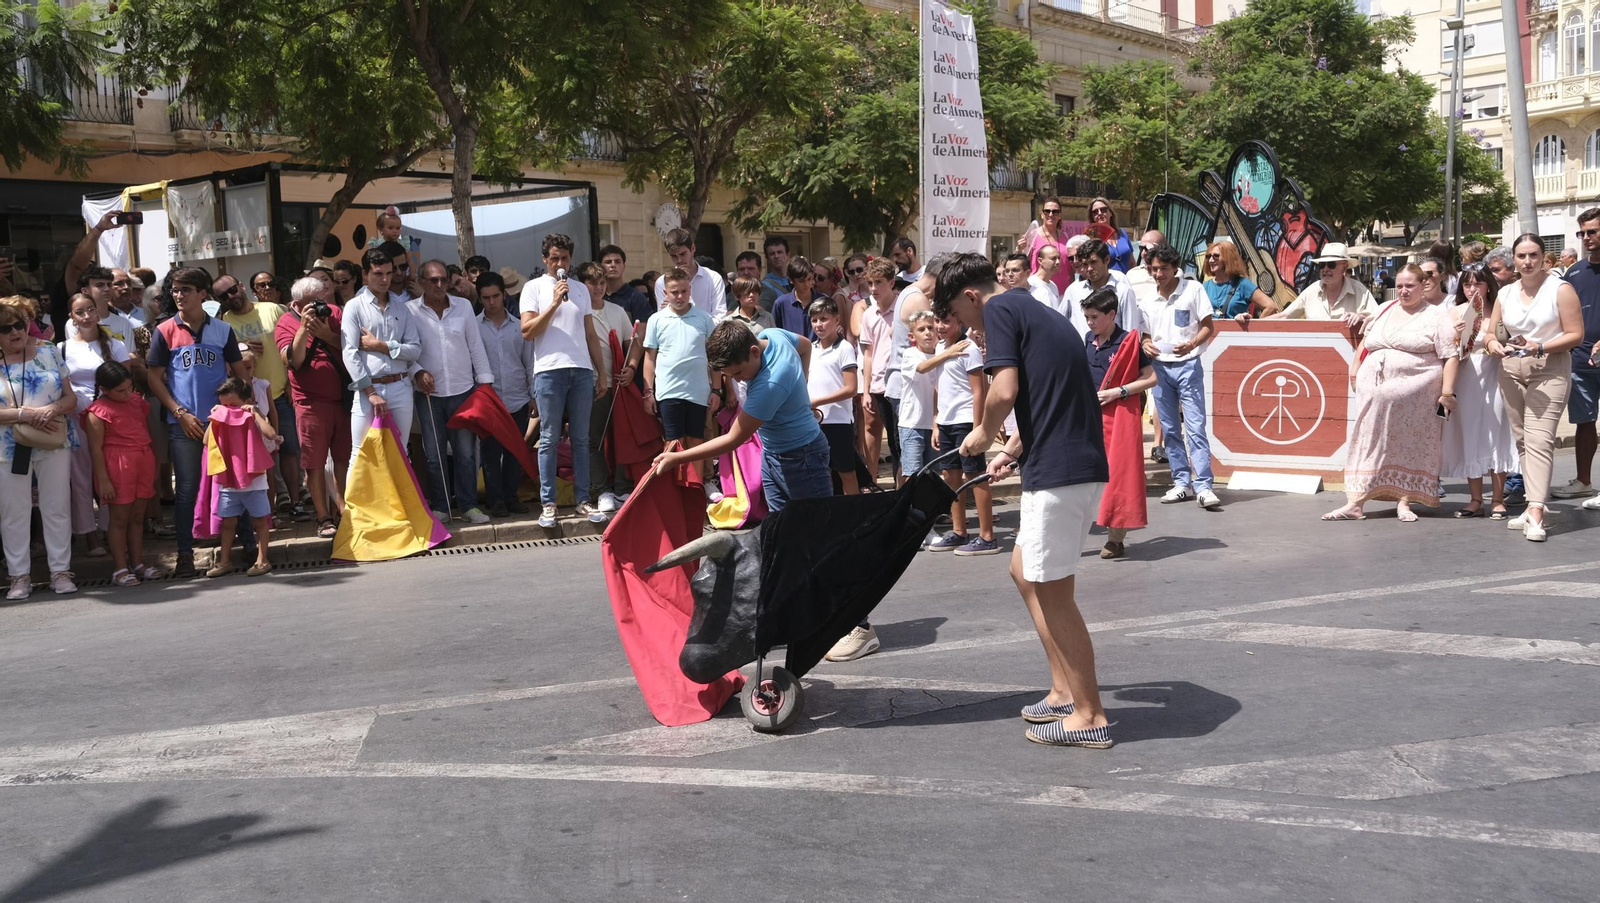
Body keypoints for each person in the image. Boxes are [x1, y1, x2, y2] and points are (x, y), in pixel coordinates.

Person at [931, 253, 1113, 748]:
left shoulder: (1000, 310)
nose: (960, 327)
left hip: (1062, 472)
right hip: (1064, 465)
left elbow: (1005, 390)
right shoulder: (1037, 311)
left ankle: (1089, 714)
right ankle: (1062, 689)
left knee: (1053, 591)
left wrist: (983, 433)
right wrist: (1011, 449)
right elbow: (1049, 394)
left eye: (955, 313)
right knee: (1022, 568)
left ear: (971, 296)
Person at [1323, 265, 1461, 523]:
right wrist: (1354, 372)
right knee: (1368, 442)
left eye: (1410, 285)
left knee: (1408, 444)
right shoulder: (1384, 308)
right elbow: (1365, 342)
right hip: (1372, 393)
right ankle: (1356, 502)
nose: (1404, 291)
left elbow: (1451, 356)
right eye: (1400, 286)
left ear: (1423, 286)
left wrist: (1447, 393)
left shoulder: (1436, 316)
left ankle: (1404, 501)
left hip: (1416, 394)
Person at [1483, 233, 1587, 541]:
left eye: (1533, 255)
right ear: (1513, 260)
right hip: (1511, 368)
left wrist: (1540, 346)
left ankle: (1537, 510)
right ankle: (1531, 506)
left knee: (1540, 439)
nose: (1527, 261)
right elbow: (1491, 333)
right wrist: (1493, 346)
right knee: (1523, 441)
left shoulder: (1560, 289)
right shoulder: (1505, 293)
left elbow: (1576, 335)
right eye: (1521, 256)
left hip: (1550, 367)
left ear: (1544, 258)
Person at [146, 267, 247, 578]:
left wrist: (238, 408)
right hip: (184, 424)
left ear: (203, 294)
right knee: (187, 489)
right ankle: (185, 554)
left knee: (233, 484)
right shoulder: (164, 331)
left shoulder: (222, 330)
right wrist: (179, 413)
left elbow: (240, 372)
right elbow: (154, 378)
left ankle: (248, 545)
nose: (179, 295)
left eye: (186, 289)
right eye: (175, 290)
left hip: (220, 422)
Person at [523, 234, 608, 528]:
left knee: (581, 439)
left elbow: (589, 334)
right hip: (549, 370)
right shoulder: (533, 288)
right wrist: (554, 303)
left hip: (581, 370)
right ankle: (548, 503)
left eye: (565, 258)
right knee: (548, 437)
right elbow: (528, 331)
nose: (560, 263)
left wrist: (601, 372)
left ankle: (583, 499)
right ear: (545, 259)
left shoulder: (581, 290)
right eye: (555, 258)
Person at [0, 298, 78, 599]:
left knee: (56, 507)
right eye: (5, 328)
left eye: (19, 324)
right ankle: (19, 576)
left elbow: (72, 399)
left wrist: (52, 409)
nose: (15, 332)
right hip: (9, 447)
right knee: (13, 512)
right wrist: (25, 415)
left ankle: (60, 572)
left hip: (53, 439)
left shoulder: (48, 351)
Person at [409, 260, 495, 525]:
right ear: (421, 282)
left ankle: (469, 506)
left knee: (466, 453)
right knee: (433, 455)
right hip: (427, 395)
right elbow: (404, 349)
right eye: (433, 280)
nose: (439, 285)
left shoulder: (464, 307)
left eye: (443, 280)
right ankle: (442, 507)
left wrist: (485, 383)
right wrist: (417, 371)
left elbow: (475, 346)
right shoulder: (409, 311)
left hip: (463, 390)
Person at [1139, 244, 1221, 510]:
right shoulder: (1148, 299)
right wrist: (1146, 344)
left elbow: (1208, 326)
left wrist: (1192, 344)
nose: (1158, 274)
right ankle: (1181, 482)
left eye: (1163, 268)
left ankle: (1204, 486)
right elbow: (1145, 334)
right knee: (1170, 429)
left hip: (1188, 365)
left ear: (1175, 267)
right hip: (1160, 368)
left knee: (1195, 426)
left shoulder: (1193, 289)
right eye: (1154, 269)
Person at [220, 271, 302, 521]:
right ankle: (269, 511)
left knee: (289, 450)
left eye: (233, 289)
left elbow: (291, 342)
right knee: (261, 459)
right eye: (223, 295)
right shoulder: (224, 321)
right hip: (247, 401)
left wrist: (291, 381)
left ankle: (296, 502)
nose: (231, 296)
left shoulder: (272, 309)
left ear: (242, 286)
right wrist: (243, 345)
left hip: (277, 391)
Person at [1082, 286, 1155, 559]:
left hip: (1120, 416)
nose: (1090, 323)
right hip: (1090, 415)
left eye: (1094, 317)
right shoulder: (1089, 339)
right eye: (1087, 317)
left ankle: (1115, 539)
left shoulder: (1129, 342)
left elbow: (1150, 378)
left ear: (1111, 314)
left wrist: (1119, 391)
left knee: (1119, 476)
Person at [1442, 266, 1517, 519]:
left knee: (1497, 432)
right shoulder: (1454, 312)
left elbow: (1511, 338)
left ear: (1488, 285)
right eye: (1467, 285)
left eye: (1478, 284)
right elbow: (1445, 346)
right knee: (1470, 432)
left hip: (1496, 374)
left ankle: (1497, 498)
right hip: (1466, 376)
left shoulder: (1499, 309)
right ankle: (1475, 499)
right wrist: (1456, 332)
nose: (1472, 289)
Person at [279, 276, 351, 538]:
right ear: (298, 304)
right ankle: (323, 517)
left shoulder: (334, 312)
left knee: (343, 458)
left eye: (322, 299)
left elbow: (352, 348)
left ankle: (343, 509)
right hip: (310, 403)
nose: (321, 306)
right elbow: (293, 361)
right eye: (313, 303)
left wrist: (327, 334)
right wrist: (304, 329)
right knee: (314, 462)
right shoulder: (286, 322)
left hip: (342, 399)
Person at [921, 312, 996, 555]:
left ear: (959, 322)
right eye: (937, 322)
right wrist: (935, 422)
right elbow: (937, 388)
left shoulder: (969, 347)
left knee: (975, 475)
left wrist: (978, 428)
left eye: (946, 322)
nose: (940, 327)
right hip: (945, 422)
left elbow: (979, 391)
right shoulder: (941, 348)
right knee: (950, 476)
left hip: (966, 421)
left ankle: (987, 536)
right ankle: (959, 531)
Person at [62, 293, 130, 558]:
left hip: (109, 418)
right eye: (80, 312)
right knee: (80, 477)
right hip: (76, 418)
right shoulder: (62, 348)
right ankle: (88, 535)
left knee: (110, 475)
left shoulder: (115, 346)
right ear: (72, 316)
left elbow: (126, 383)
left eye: (91, 310)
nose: (87, 316)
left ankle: (109, 529)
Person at [644, 266, 718, 499]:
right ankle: (673, 494)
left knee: (697, 441)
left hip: (698, 392)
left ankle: (695, 492)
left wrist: (716, 389)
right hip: (668, 391)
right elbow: (649, 358)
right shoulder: (657, 319)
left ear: (690, 290)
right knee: (672, 443)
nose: (679, 296)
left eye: (684, 291)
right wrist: (648, 391)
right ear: (666, 292)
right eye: (674, 292)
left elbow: (715, 358)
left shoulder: (704, 318)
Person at [85, 360, 161, 586]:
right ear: (104, 389)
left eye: (129, 387)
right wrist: (104, 481)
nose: (127, 393)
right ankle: (119, 568)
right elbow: (95, 449)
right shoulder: (97, 411)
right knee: (119, 519)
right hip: (117, 466)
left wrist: (155, 464)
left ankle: (137, 563)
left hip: (142, 461)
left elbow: (149, 433)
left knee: (138, 516)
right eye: (120, 390)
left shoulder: (137, 402)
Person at [343, 249, 424, 458]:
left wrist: (381, 345)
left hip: (400, 387)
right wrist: (370, 393)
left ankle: (395, 493)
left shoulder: (402, 308)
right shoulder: (354, 307)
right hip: (367, 390)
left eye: (388, 273)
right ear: (365, 274)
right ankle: (358, 493)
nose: (386, 279)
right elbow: (349, 354)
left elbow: (415, 350)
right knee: (361, 454)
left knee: (399, 452)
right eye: (378, 273)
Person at [473, 271, 537, 518]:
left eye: (496, 296)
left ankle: (511, 497)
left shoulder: (519, 326)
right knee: (490, 453)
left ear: (504, 295)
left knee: (515, 451)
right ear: (480, 298)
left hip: (518, 398)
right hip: (489, 401)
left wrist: (533, 395)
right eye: (486, 297)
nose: (491, 302)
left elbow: (529, 363)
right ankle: (495, 500)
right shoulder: (475, 327)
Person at [204, 377, 278, 578]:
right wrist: (214, 418)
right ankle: (224, 562)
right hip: (229, 480)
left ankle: (263, 560)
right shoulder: (219, 418)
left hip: (254, 481)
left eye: (233, 405)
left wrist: (254, 414)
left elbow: (271, 433)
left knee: (259, 521)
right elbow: (205, 440)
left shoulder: (253, 415)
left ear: (247, 400)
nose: (229, 409)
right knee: (228, 523)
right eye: (225, 404)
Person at [580, 261, 637, 512]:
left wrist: (632, 367)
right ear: (582, 285)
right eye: (592, 283)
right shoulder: (576, 311)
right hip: (591, 384)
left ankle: (623, 488)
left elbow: (633, 343)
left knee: (622, 437)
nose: (598, 287)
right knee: (593, 440)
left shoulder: (618, 310)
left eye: (602, 283)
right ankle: (602, 490)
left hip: (620, 385)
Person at [1558, 208, 1600, 509]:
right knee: (1584, 422)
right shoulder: (1573, 273)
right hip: (1580, 361)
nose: (1587, 238)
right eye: (1582, 233)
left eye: (1592, 232)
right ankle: (1583, 482)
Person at [806, 297, 859, 496]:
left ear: (836, 320)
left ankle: (854, 515)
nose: (819, 324)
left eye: (824, 319)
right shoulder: (810, 349)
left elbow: (851, 388)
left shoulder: (844, 348)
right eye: (814, 320)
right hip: (814, 422)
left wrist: (817, 401)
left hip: (838, 421)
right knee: (820, 471)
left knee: (846, 471)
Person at [1262, 243, 1379, 328]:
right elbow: (1284, 316)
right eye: (1322, 265)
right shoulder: (1312, 290)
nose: (1326, 269)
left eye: (1331, 264)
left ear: (1344, 267)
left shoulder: (1360, 291)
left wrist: (1361, 317)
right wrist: (1251, 323)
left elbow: (1378, 318)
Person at [858, 258, 900, 487]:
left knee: (900, 441)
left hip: (900, 384)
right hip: (877, 385)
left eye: (879, 282)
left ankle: (901, 487)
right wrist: (865, 391)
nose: (873, 289)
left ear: (891, 282)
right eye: (870, 283)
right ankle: (876, 483)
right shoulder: (868, 315)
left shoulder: (902, 308)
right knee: (887, 439)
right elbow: (868, 354)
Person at [1062, 238, 1141, 337]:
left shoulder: (1122, 291)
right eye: (1085, 264)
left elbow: (1131, 331)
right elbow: (1060, 323)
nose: (1089, 268)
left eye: (1093, 262)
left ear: (1106, 260)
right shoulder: (1073, 291)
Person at [896, 310, 939, 482]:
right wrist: (947, 354)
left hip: (934, 425)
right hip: (912, 424)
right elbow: (922, 368)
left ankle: (929, 509)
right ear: (912, 337)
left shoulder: (941, 353)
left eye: (931, 327)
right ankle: (908, 508)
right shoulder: (910, 354)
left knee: (932, 475)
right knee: (912, 473)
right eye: (921, 329)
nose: (928, 332)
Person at [652, 229, 727, 320]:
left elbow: (720, 317)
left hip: (708, 334)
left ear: (693, 249)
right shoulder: (662, 282)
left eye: (683, 254)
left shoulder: (714, 278)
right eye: (674, 256)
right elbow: (663, 319)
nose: (679, 260)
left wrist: (676, 307)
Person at [1203, 240, 1276, 320]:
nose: (1210, 260)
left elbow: (1271, 307)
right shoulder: (1204, 287)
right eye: (1208, 256)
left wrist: (1254, 327)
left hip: (1234, 332)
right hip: (1212, 332)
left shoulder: (1242, 284)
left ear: (1228, 258)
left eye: (1216, 256)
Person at [1017, 196, 1074, 295]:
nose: (1051, 214)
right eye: (1047, 211)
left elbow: (1070, 267)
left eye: (1055, 211)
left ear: (1060, 215)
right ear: (1042, 214)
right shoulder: (1033, 235)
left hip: (1063, 292)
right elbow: (1020, 261)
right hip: (1039, 291)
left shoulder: (1065, 236)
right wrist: (1019, 249)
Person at [598, 245, 655, 325]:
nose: (613, 265)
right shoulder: (595, 296)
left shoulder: (636, 297)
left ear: (624, 266)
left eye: (617, 262)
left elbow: (640, 334)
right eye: (608, 262)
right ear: (600, 266)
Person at [772, 258, 823, 340]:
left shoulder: (823, 301)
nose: (807, 284)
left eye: (810, 279)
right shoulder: (781, 303)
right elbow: (776, 333)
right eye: (802, 281)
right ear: (791, 280)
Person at [1087, 197, 1135, 272]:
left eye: (1103, 210)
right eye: (1095, 212)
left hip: (1127, 281)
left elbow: (1132, 262)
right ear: (1092, 217)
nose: (1099, 213)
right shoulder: (1092, 239)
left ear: (1111, 213)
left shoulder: (1122, 233)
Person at [1125, 229, 1166, 307]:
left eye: (1148, 248)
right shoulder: (1131, 274)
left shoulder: (1172, 273)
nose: (1143, 253)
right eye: (1141, 248)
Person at [1027, 244, 1064, 312]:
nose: (1058, 262)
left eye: (1059, 258)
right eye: (1053, 258)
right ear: (1040, 261)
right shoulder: (1031, 283)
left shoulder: (1053, 285)